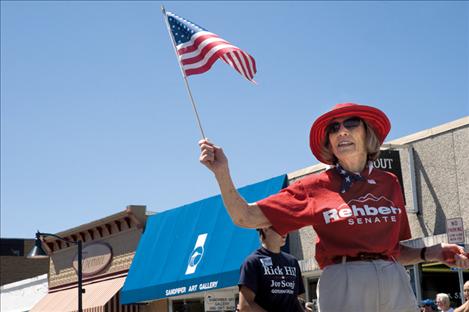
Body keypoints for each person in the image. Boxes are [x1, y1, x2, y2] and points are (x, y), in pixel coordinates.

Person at [199, 102, 469, 312]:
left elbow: (393, 251)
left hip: (393, 279)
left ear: (367, 133)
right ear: (329, 142)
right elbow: (245, 216)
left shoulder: (390, 182)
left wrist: (431, 251)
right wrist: (221, 172)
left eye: (351, 123)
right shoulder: (315, 186)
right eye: (333, 128)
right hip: (343, 281)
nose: (342, 131)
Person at [238, 227, 306, 311]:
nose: (285, 230)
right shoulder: (252, 262)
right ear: (265, 228)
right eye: (279, 225)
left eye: (286, 226)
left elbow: (300, 299)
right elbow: (245, 306)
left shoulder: (292, 262)